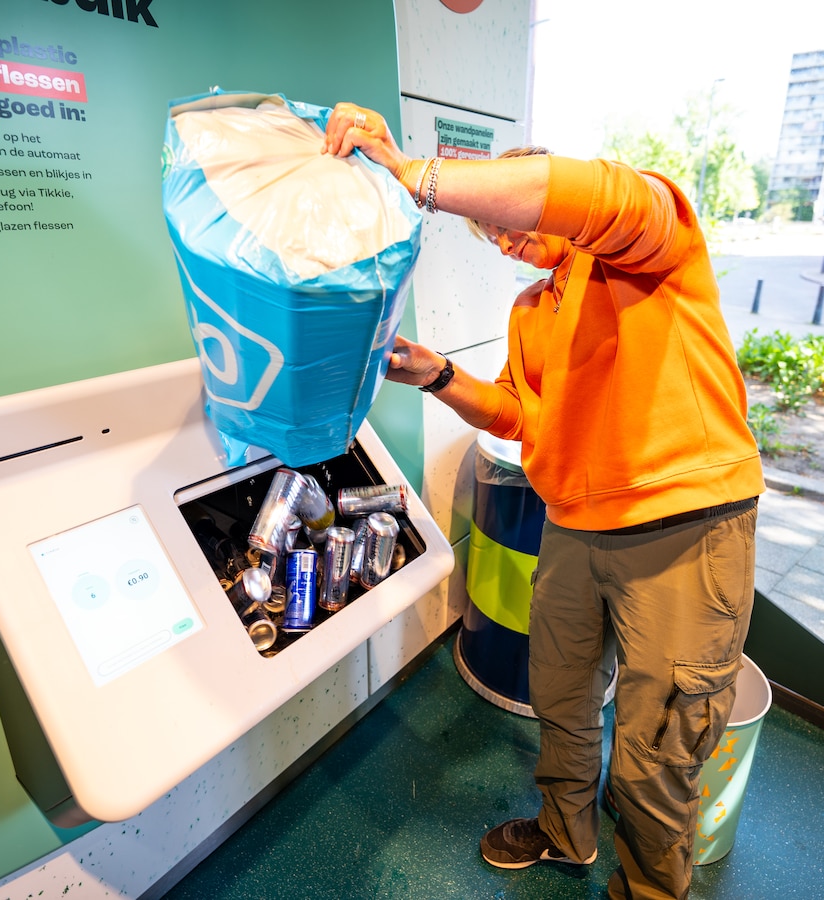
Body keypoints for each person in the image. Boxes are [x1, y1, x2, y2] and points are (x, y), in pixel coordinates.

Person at [323, 103, 763, 900]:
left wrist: (411, 175)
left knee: (656, 749)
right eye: (491, 236)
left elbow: (592, 195)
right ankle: (566, 834)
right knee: (561, 699)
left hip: (680, 528)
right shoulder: (532, 311)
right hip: (572, 526)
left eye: (504, 219)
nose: (502, 241)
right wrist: (441, 378)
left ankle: (650, 889)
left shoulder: (648, 243)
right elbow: (527, 416)